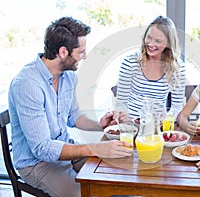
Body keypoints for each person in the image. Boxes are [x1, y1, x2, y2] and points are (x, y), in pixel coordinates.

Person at [8, 16, 132, 197]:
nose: (85, 56)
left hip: (66, 151)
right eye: (81, 52)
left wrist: (101, 124)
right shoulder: (27, 84)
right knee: (87, 194)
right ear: (63, 52)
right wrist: (94, 148)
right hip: (36, 164)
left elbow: (74, 116)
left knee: (116, 178)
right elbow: (42, 148)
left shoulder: (69, 76)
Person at [116, 15, 186, 120]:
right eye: (149, 37)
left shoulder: (177, 68)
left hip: (158, 126)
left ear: (169, 43)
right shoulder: (130, 63)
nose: (151, 44)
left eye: (158, 41)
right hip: (131, 125)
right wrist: (126, 121)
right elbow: (121, 103)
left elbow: (177, 106)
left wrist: (167, 120)